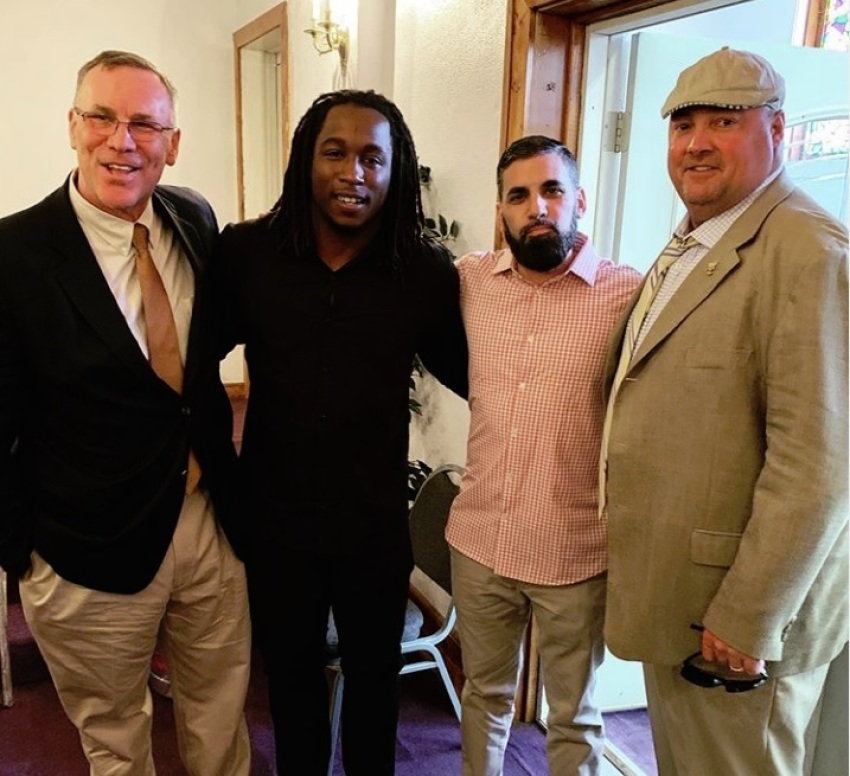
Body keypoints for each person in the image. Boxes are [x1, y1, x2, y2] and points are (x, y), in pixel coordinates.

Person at [0, 51, 251, 776]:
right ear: (72, 126)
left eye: (146, 123)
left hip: (206, 521)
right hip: (86, 547)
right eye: (102, 117)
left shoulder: (193, 219)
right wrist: (23, 553)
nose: (123, 140)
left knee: (222, 716)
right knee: (115, 740)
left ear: (174, 143)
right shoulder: (13, 255)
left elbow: (196, 367)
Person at [601, 47, 848, 776]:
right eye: (683, 125)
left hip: (735, 626)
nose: (697, 143)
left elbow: (819, 463)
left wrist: (749, 616)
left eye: (725, 121)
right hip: (680, 598)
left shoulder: (809, 251)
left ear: (778, 130)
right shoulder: (698, 239)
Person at [214, 89, 468, 776]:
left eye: (372, 158)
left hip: (372, 527)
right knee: (290, 685)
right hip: (275, 524)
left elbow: (477, 377)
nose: (353, 173)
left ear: (395, 169)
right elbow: (194, 362)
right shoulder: (249, 253)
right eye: (335, 152)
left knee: (375, 690)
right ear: (306, 159)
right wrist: (225, 482)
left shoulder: (422, 271)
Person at [445, 135, 641, 775]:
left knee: (574, 717)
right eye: (519, 195)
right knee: (485, 694)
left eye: (552, 190)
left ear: (579, 199)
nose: (537, 208)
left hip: (574, 549)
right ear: (501, 210)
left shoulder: (628, 295)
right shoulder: (470, 281)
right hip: (481, 541)